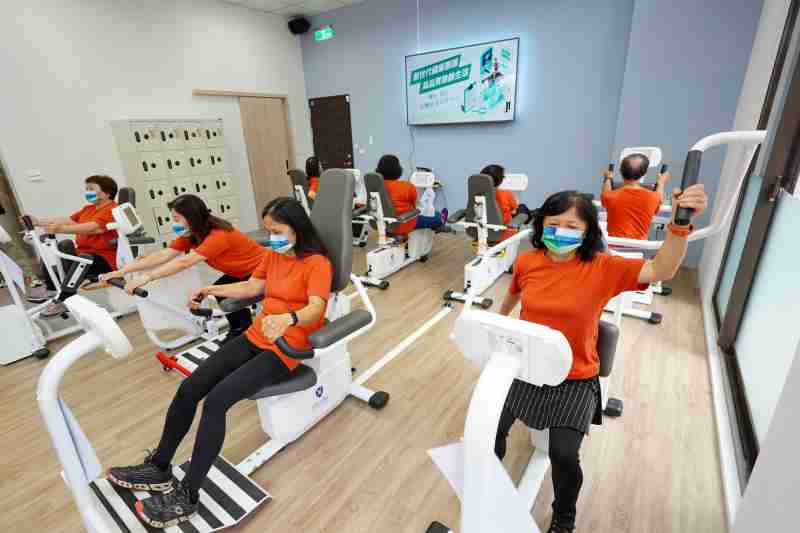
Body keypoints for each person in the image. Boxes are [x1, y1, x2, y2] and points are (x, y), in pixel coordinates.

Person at [106, 197, 333, 527]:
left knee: (216, 401)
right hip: (256, 335)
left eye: (277, 231)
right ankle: (159, 467)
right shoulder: (274, 255)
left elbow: (316, 308)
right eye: (268, 231)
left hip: (286, 346)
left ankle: (188, 495)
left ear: (297, 228)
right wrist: (211, 290)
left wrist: (290, 318)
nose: (271, 238)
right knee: (190, 388)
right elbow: (253, 286)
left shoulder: (317, 263)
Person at [494, 184, 707, 533]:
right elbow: (513, 294)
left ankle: (564, 516)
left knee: (564, 454)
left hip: (574, 377)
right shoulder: (528, 261)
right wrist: (497, 325)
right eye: (553, 223)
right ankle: (490, 487)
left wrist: (680, 225)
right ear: (541, 224)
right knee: (489, 431)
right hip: (528, 368)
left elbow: (661, 269)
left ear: (587, 232)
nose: (560, 231)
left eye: (572, 226)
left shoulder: (602, 267)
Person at [100, 194, 266, 343]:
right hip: (241, 273)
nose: (174, 223)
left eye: (177, 219)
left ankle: (243, 330)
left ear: (192, 217)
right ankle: (241, 330)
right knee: (220, 292)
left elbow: (184, 262)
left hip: (264, 271)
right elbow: (164, 255)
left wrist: (146, 277)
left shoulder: (218, 235)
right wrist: (121, 272)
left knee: (224, 296)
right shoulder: (193, 234)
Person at [25, 175, 120, 317]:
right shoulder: (88, 209)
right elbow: (67, 220)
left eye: (91, 189)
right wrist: (38, 222)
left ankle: (63, 299)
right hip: (83, 256)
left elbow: (93, 228)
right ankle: (52, 290)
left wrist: (60, 229)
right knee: (59, 247)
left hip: (103, 260)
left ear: (107, 193)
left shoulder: (112, 209)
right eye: (87, 189)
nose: (88, 192)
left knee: (75, 252)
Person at [600, 153, 670, 240]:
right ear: (644, 173)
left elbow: (605, 192)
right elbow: (659, 196)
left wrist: (608, 178)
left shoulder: (609, 196)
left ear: (621, 171)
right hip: (639, 246)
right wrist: (661, 182)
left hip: (613, 246)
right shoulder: (654, 198)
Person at [376, 154, 447, 235]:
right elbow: (415, 205)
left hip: (382, 223)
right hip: (403, 223)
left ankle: (436, 226)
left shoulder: (375, 185)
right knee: (437, 216)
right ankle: (439, 225)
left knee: (429, 215)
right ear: (397, 170)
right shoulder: (406, 186)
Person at [481, 164, 531, 241]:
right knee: (522, 207)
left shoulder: (476, 195)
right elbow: (514, 211)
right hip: (503, 232)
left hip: (482, 232)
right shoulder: (506, 193)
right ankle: (531, 216)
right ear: (500, 180)